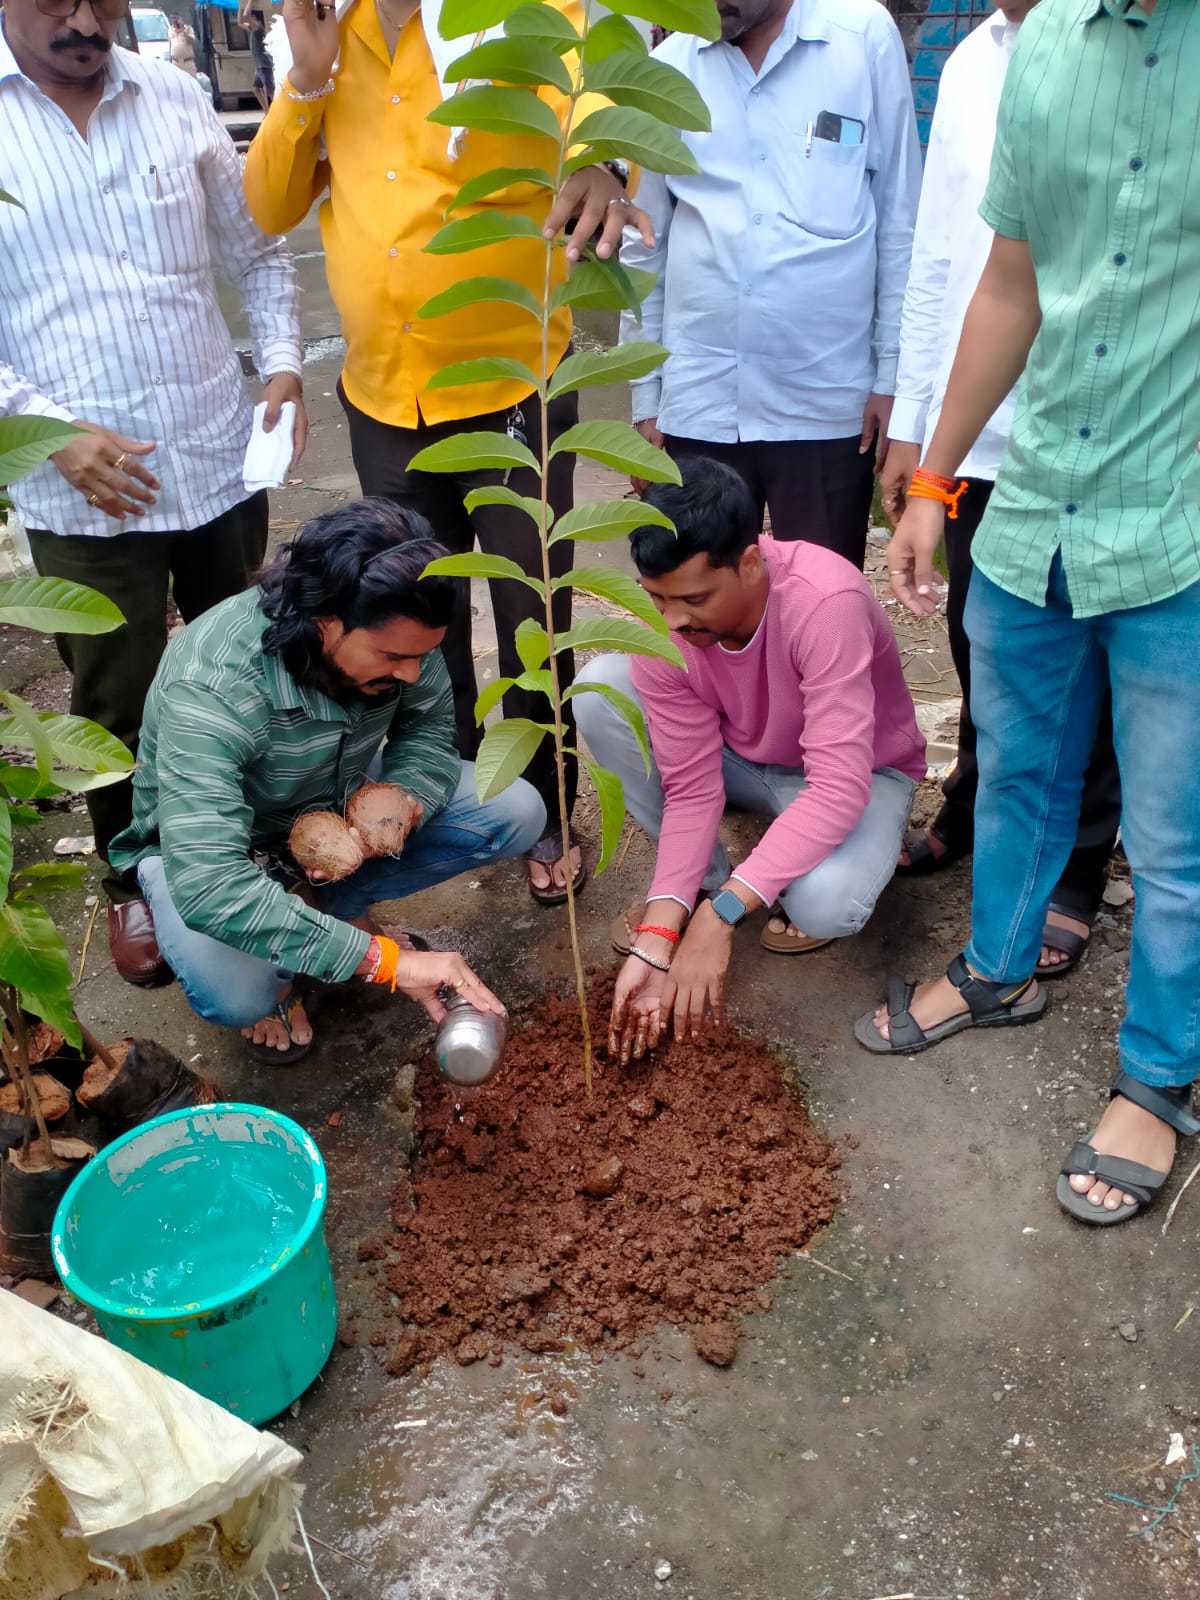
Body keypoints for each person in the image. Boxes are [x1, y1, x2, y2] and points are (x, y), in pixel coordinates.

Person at [858, 0, 1200, 1228]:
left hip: (1180, 528)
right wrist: (935, 481)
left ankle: (1158, 1075)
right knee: (1014, 772)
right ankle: (998, 968)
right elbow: (1010, 282)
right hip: (1040, 503)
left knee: (1173, 840)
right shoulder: (1042, 45)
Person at [243, 0, 653, 905]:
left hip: (511, 386)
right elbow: (270, 204)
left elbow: (587, 106)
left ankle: (548, 809)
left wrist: (602, 164)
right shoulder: (323, 34)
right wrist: (304, 82)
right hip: (386, 395)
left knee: (530, 613)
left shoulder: (516, 13)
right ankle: (468, 793)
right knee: (422, 618)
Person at [0, 0, 305, 989]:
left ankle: (251, 844)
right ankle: (135, 873)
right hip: (83, 495)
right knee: (114, 694)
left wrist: (285, 362)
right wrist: (48, 432)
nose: (85, 20)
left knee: (243, 669)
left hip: (213, 457)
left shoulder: (174, 96)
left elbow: (256, 248)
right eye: (57, 1)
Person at [108, 499, 546, 1061]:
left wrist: (403, 802)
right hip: (216, 848)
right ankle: (290, 957)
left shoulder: (403, 631)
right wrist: (383, 961)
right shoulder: (214, 687)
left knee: (516, 809)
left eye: (422, 655)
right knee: (237, 993)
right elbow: (210, 883)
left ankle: (326, 907)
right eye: (392, 657)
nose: (413, 672)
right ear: (323, 622)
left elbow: (429, 731)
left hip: (332, 802)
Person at [881, 0, 1122, 980]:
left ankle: (1080, 864)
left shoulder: (1121, 46)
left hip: (1085, 424)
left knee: (1082, 655)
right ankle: (977, 800)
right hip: (975, 427)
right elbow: (941, 258)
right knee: (980, 636)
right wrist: (915, 429)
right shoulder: (971, 61)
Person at [572, 458, 926, 1064]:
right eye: (657, 598)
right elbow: (690, 788)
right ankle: (703, 883)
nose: (673, 620)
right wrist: (661, 933)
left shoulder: (825, 603)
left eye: (694, 598)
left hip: (859, 773)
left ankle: (746, 887)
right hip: (741, 755)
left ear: (751, 563)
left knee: (827, 903)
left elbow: (837, 787)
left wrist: (724, 916)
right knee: (602, 688)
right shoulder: (669, 625)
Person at [618, 0, 921, 569]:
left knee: (823, 591)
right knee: (699, 592)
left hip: (826, 398)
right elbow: (645, 243)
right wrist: (645, 397)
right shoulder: (670, 68)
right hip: (700, 398)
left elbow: (899, 218)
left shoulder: (860, 38)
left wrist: (891, 377)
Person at [238, 2, 274, 110]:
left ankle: (277, 113)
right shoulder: (252, 29)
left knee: (270, 90)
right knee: (256, 88)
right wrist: (240, 6)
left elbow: (245, 16)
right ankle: (267, 112)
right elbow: (240, 22)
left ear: (254, 17)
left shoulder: (259, 28)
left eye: (251, 18)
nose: (248, 21)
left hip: (264, 64)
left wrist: (250, 1)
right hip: (259, 65)